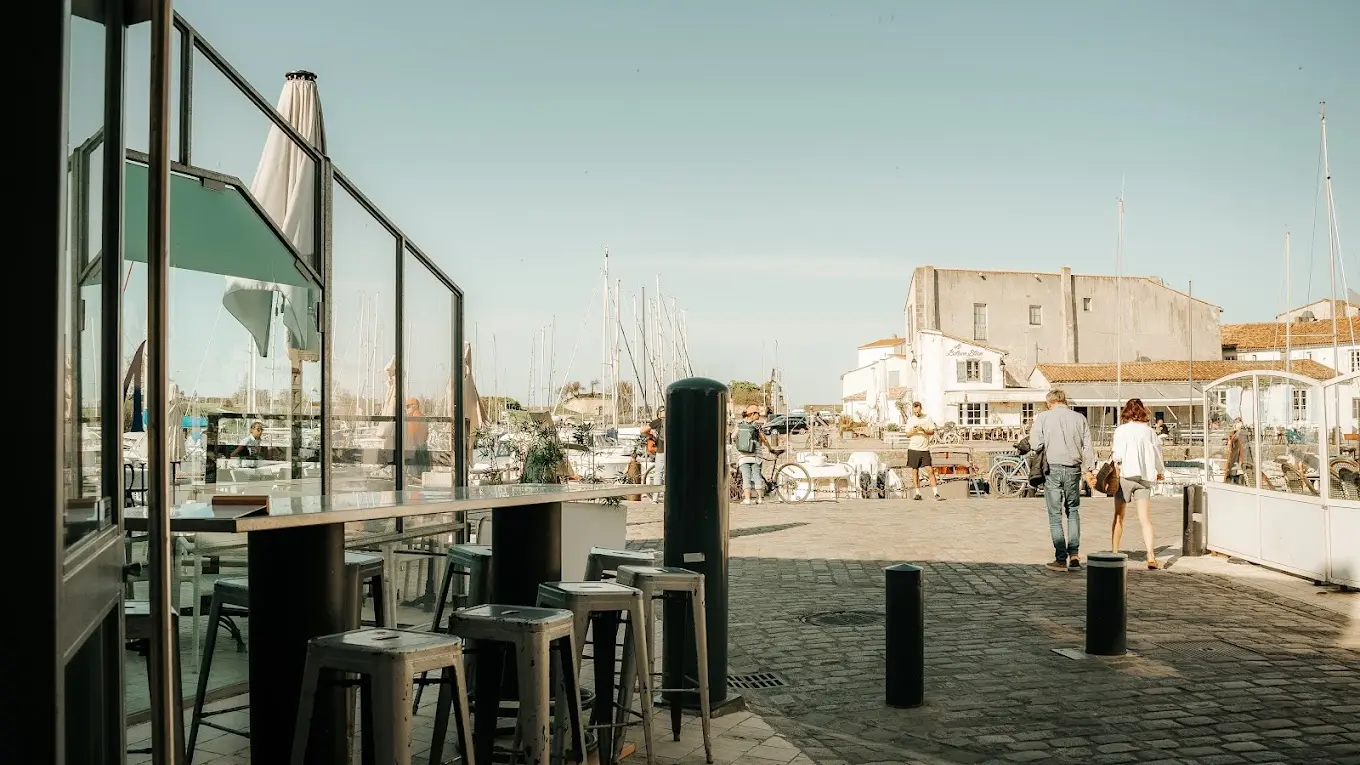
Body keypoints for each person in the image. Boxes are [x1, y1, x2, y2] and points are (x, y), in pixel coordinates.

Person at [1029, 389, 1095, 572]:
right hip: (1073, 469)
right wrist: (1089, 469)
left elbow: (1035, 444)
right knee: (1073, 511)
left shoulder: (1043, 418)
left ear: (1050, 402)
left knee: (1055, 515)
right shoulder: (1079, 418)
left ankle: (1060, 559)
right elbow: (1087, 446)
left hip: (1052, 469)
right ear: (1064, 401)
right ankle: (1074, 555)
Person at [1110, 398, 1166, 569]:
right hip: (1144, 477)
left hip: (1126, 476)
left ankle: (1115, 552)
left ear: (1126, 412)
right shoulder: (1149, 431)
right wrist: (1160, 471)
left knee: (1119, 516)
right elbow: (1157, 453)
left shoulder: (1121, 430)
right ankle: (1150, 555)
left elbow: (1117, 455)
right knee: (1145, 519)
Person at [903, 401, 943, 501]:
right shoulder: (910, 420)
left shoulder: (927, 418)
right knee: (914, 471)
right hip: (913, 448)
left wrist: (923, 430)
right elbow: (907, 435)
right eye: (915, 412)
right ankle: (917, 493)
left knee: (930, 470)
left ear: (921, 408)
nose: (916, 413)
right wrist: (914, 431)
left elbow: (932, 431)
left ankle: (936, 493)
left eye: (918, 411)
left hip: (924, 449)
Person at [734, 405, 771, 504]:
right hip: (756, 456)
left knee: (746, 478)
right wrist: (770, 448)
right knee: (757, 476)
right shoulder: (756, 426)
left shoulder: (739, 424)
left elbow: (733, 436)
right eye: (758, 413)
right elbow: (764, 439)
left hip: (743, 456)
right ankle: (759, 499)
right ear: (753, 414)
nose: (759, 415)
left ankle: (747, 499)